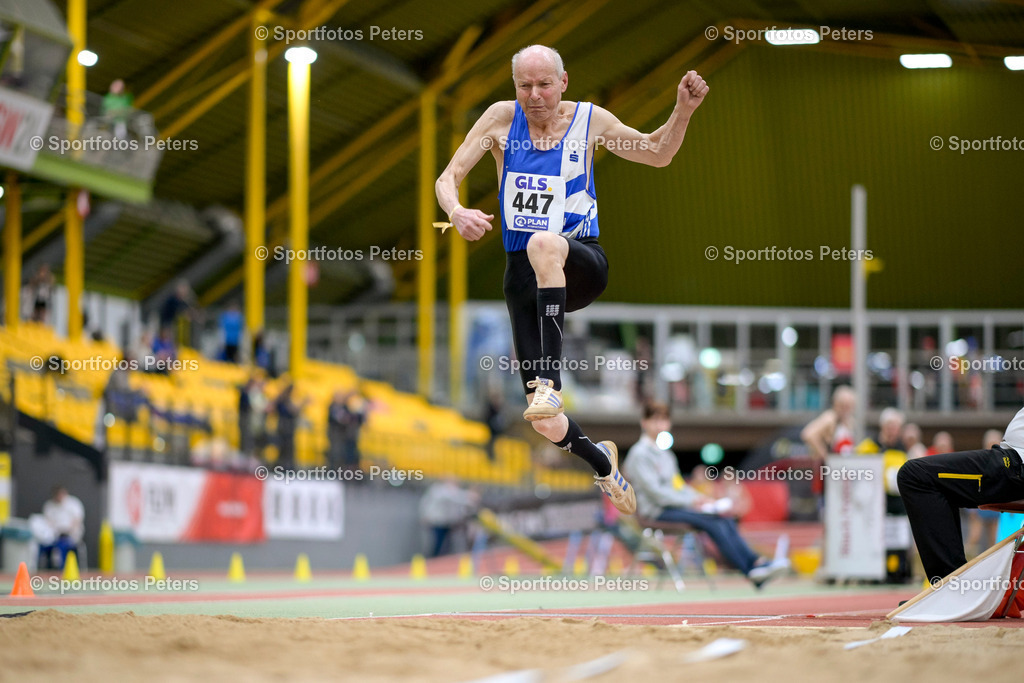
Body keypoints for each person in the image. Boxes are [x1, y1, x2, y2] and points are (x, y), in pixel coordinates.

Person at [435, 44, 709, 514]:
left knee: (544, 243)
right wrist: (456, 211)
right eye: (524, 86)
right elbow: (447, 177)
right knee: (544, 421)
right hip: (524, 277)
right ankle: (603, 463)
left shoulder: (589, 121)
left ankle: (551, 380)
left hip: (581, 262)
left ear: (563, 82)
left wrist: (682, 112)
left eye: (544, 85)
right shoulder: (500, 120)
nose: (534, 96)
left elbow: (657, 153)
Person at [622, 401, 789, 588]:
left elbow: (679, 486)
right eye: (655, 420)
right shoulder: (639, 454)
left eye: (664, 420)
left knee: (723, 517)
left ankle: (755, 563)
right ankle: (750, 569)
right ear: (644, 422)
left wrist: (700, 499)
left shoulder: (666, 455)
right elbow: (656, 493)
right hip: (655, 512)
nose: (660, 425)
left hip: (674, 507)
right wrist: (692, 501)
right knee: (711, 521)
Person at [898, 406, 1024, 582]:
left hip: (1015, 464)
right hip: (1012, 461)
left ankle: (952, 586)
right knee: (928, 481)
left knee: (914, 476)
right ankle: (954, 584)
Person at [962, 429, 1005, 558]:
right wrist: (971, 508)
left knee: (995, 540)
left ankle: (995, 565)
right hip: (980, 505)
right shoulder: (979, 460)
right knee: (974, 537)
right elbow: (971, 485)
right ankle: (966, 564)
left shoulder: (1003, 461)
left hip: (996, 506)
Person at [419, 478, 480, 557]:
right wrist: (469, 495)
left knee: (446, 545)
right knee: (437, 543)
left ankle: (440, 558)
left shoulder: (451, 492)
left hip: (448, 523)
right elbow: (453, 496)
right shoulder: (438, 490)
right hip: (437, 523)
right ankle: (433, 558)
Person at [34, 486, 85, 570]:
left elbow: (77, 520)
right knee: (42, 545)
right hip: (54, 535)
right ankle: (44, 570)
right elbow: (48, 522)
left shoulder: (73, 504)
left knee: (63, 545)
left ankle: (62, 570)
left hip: (70, 535)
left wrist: (67, 531)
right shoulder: (49, 506)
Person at [801, 385, 856, 460]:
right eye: (843, 406)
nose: (846, 410)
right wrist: (825, 456)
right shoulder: (830, 417)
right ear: (836, 404)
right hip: (828, 464)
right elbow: (808, 434)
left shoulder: (849, 421)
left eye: (849, 406)